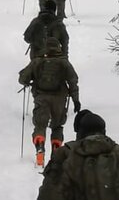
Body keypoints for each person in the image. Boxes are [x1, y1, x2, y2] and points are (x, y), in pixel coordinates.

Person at [18, 37, 80, 169]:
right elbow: (73, 81)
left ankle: (40, 148)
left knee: (40, 125)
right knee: (57, 126)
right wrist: (76, 100)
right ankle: (56, 152)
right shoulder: (64, 62)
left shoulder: (37, 61)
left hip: (41, 97)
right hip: (60, 98)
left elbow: (22, 79)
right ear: (58, 47)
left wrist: (28, 82)